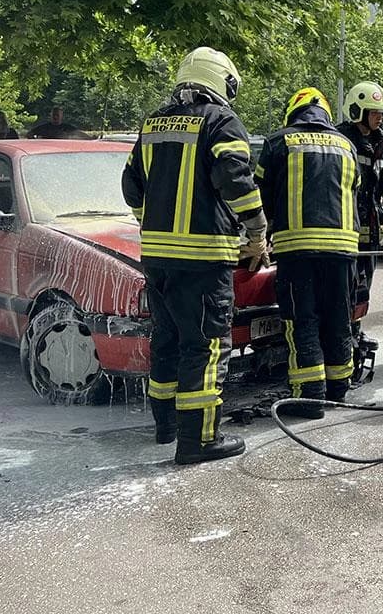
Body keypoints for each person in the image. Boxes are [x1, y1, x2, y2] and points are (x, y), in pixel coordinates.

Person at [121, 47, 264, 465]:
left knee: (166, 340)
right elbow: (235, 179)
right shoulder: (221, 121)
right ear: (221, 81)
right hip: (204, 259)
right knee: (204, 347)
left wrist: (152, 222)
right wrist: (257, 230)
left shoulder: (153, 123)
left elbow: (131, 184)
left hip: (158, 259)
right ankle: (198, 440)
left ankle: (165, 426)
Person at [255, 88, 360, 420]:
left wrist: (259, 237)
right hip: (343, 250)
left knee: (303, 321)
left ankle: (310, 397)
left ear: (293, 112)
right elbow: (354, 190)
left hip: (297, 250)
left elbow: (259, 198)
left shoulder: (277, 143)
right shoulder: (348, 145)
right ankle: (339, 390)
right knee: (338, 320)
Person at [335, 81, 383, 313]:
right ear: (358, 111)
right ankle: (344, 330)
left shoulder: (380, 141)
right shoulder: (341, 139)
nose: (380, 118)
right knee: (344, 284)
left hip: (371, 224)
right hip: (347, 224)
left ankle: (356, 327)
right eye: (375, 112)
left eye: (381, 113)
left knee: (364, 284)